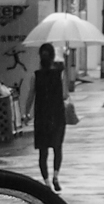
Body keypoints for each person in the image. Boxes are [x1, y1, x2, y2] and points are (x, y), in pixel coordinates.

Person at [24, 40, 73, 191]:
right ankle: (56, 176)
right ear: (53, 57)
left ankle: (46, 183)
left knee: (43, 152)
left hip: (42, 118)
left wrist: (26, 114)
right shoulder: (60, 74)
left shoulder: (35, 75)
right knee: (57, 148)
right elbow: (65, 95)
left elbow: (30, 96)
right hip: (57, 117)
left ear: (40, 57)